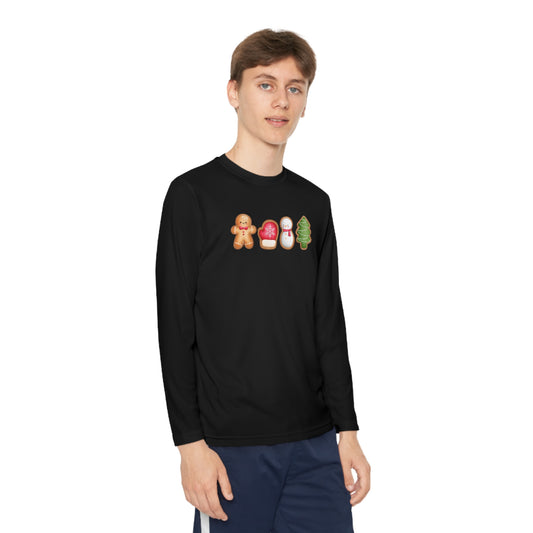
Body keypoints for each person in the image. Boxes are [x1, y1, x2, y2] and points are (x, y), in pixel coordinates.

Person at [155, 28, 371, 533]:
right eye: (265, 84)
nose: (281, 101)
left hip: (315, 445)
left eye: (295, 88)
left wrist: (348, 430)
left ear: (306, 101)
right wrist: (189, 445)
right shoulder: (192, 196)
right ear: (234, 92)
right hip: (229, 450)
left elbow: (328, 324)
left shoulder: (313, 204)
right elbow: (174, 328)